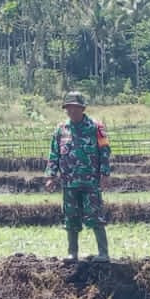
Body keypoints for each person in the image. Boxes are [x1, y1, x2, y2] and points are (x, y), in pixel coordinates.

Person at [45, 91, 112, 263]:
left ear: (82, 108)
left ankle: (103, 253)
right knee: (71, 217)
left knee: (95, 215)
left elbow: (104, 151)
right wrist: (51, 176)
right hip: (69, 182)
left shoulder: (96, 127)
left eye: (75, 108)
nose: (72, 111)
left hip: (91, 181)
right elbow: (54, 153)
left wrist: (105, 173)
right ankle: (72, 253)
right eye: (69, 108)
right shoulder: (61, 129)